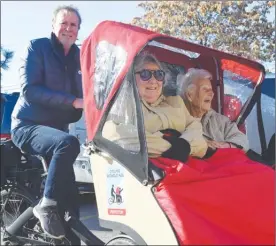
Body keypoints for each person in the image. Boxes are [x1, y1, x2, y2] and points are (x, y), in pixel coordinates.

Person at [11, 5, 83, 240]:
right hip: (27, 125)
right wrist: (72, 101)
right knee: (67, 143)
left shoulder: (79, 57)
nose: (68, 28)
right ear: (53, 26)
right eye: (64, 23)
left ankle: (69, 239)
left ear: (78, 30)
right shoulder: (37, 47)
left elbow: (87, 94)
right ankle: (46, 205)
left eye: (73, 25)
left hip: (56, 132)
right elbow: (29, 90)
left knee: (71, 200)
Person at [103, 52, 208, 162]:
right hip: (146, 174)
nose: (153, 81)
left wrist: (183, 144)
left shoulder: (176, 103)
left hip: (185, 171)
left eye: (159, 74)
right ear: (132, 78)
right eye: (145, 74)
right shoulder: (123, 106)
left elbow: (200, 139)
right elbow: (115, 136)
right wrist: (173, 147)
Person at [179, 68, 249, 152]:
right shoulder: (175, 117)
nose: (211, 93)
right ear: (190, 95)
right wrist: (203, 145)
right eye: (205, 89)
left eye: (211, 90)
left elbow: (243, 140)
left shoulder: (220, 120)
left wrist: (227, 146)